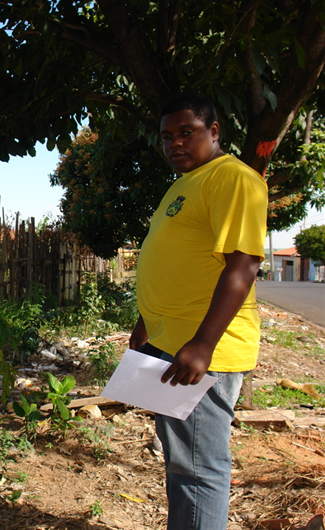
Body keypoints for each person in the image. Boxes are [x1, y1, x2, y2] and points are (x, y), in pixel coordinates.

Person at [129, 93, 268, 530]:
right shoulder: (183, 183)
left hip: (202, 350)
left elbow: (242, 267)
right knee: (182, 464)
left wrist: (204, 343)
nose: (175, 143)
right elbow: (174, 259)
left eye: (186, 132)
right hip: (169, 341)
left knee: (198, 470)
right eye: (167, 136)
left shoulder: (233, 179)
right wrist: (145, 323)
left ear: (214, 131)